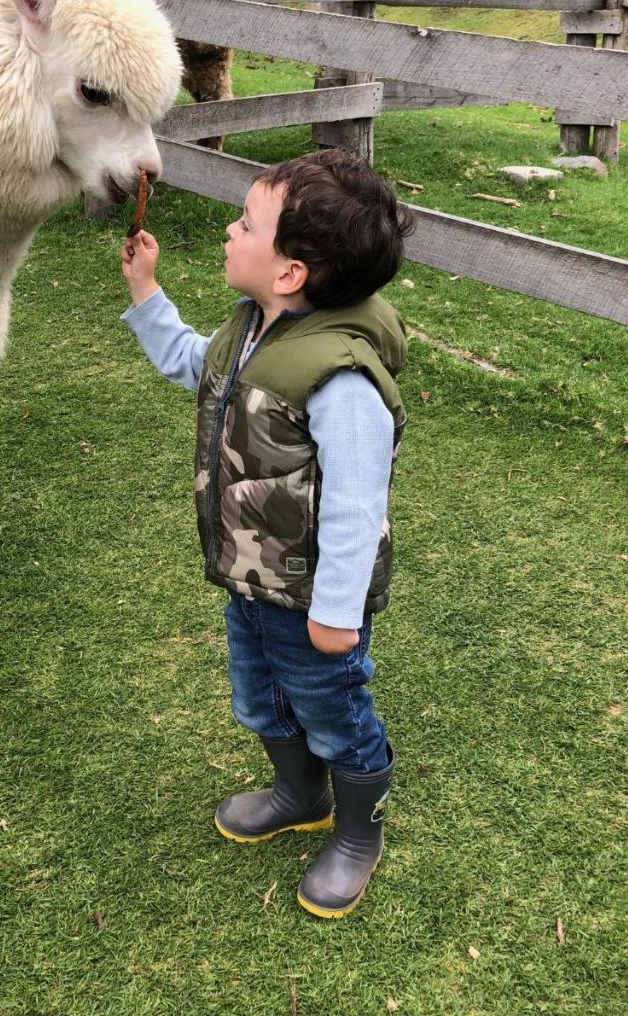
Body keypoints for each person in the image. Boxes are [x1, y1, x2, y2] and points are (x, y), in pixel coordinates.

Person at [119, 149, 415, 918]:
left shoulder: (340, 380)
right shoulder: (253, 327)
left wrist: (336, 614)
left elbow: (356, 506)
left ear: (288, 272)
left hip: (311, 601)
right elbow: (198, 370)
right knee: (258, 699)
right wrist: (147, 294)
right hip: (251, 579)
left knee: (334, 713)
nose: (228, 228)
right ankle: (297, 793)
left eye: (246, 223)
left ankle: (356, 833)